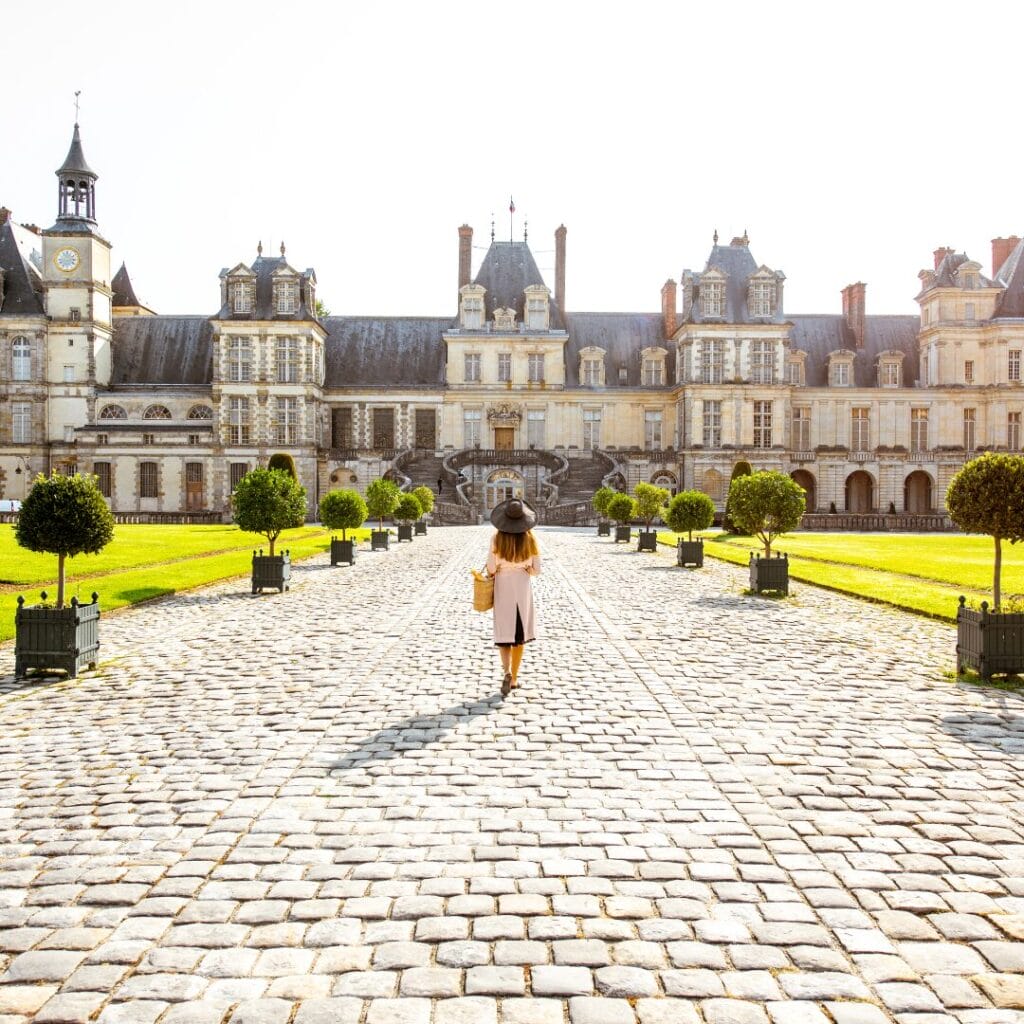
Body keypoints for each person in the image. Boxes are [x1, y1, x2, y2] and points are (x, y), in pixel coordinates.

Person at [486, 498, 541, 698]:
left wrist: (500, 568)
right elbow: (537, 570)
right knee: (519, 637)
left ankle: (507, 672)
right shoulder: (531, 539)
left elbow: (491, 568)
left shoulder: (496, 539)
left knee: (505, 636)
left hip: (503, 588)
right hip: (522, 587)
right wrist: (525, 568)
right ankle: (515, 678)